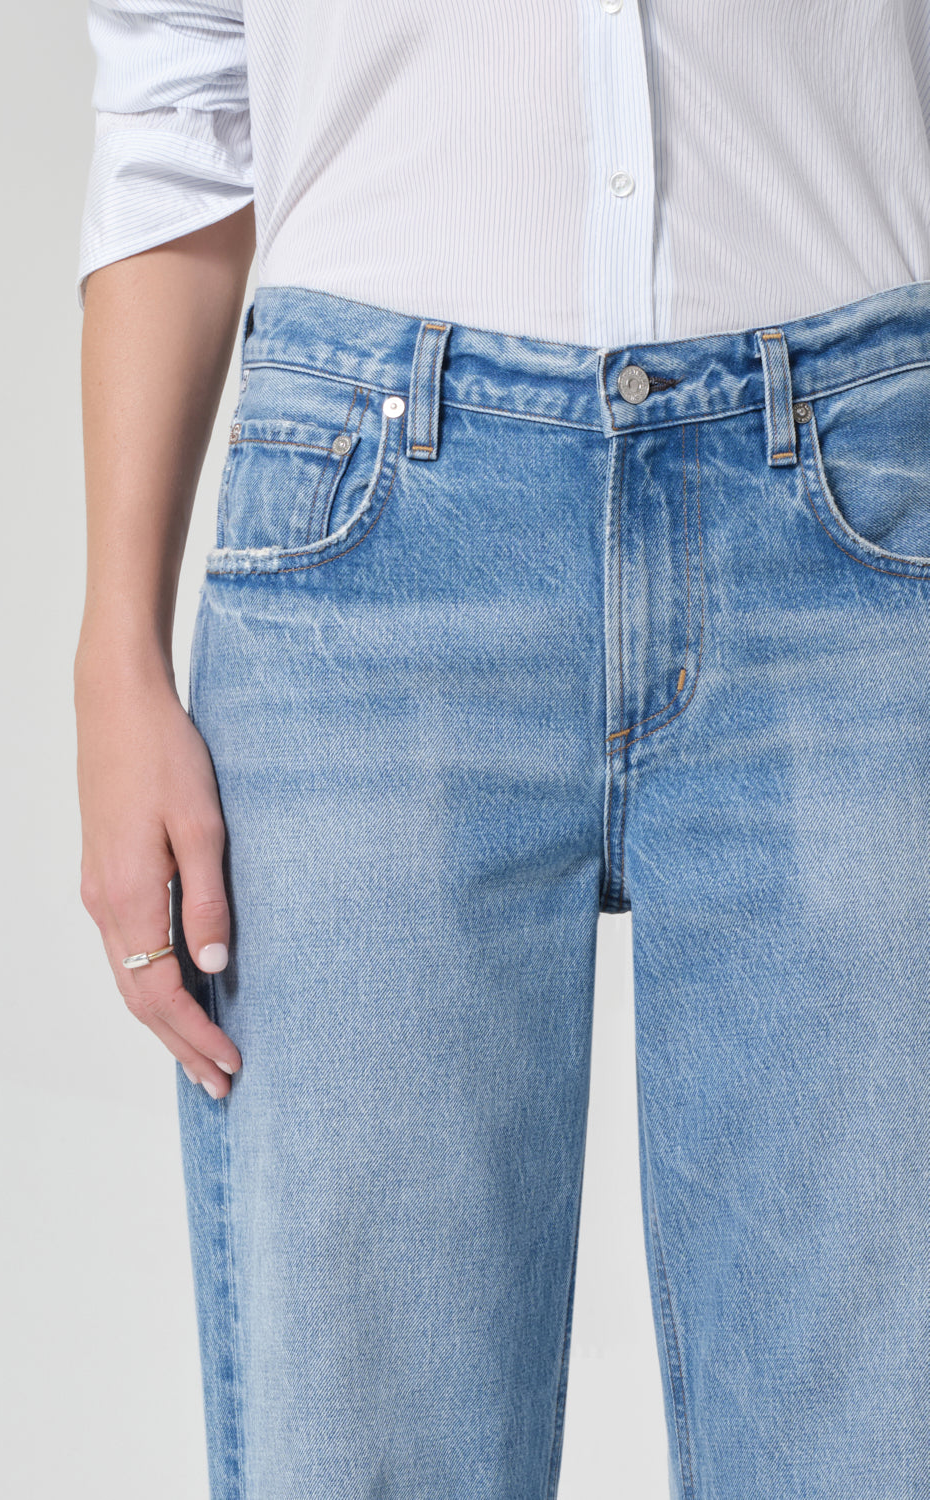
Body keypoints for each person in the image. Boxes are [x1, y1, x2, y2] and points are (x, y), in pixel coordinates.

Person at [73, 4, 930, 1496]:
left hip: (858, 524)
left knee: (882, 1433)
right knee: (359, 1451)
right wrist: (115, 652)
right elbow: (179, 110)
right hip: (369, 544)